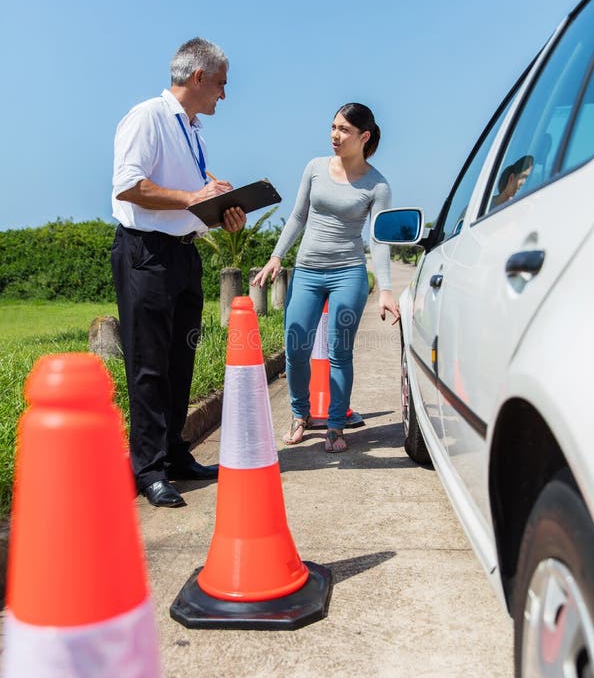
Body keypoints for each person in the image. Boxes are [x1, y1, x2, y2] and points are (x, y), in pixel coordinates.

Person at [111, 37, 246, 508]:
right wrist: (192, 198)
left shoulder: (193, 130)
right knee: (148, 365)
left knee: (178, 360)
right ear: (198, 77)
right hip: (146, 252)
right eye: (221, 84)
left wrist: (219, 205)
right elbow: (129, 186)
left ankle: (173, 452)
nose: (223, 96)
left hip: (185, 253)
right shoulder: (147, 116)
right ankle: (147, 470)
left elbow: (187, 197)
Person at [252, 103, 400, 453]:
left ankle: (335, 426)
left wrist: (387, 289)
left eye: (344, 130)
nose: (335, 135)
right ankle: (300, 414)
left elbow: (379, 239)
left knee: (339, 352)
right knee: (295, 346)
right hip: (307, 270)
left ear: (364, 136)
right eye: (333, 127)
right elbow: (298, 215)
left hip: (348, 272)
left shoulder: (377, 185)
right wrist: (277, 256)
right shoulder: (315, 168)